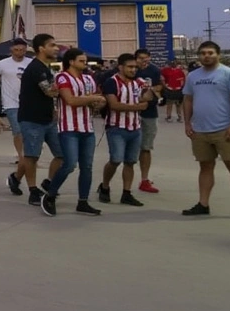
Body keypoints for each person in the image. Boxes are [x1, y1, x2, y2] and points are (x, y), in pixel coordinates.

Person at [181, 41, 230, 223]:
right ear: (199, 56)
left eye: (210, 53)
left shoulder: (229, 74)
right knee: (205, 166)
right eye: (203, 53)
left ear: (218, 55)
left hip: (224, 129)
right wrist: (187, 123)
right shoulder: (193, 76)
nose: (207, 56)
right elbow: (188, 100)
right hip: (200, 130)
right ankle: (203, 204)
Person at [44, 48, 105, 217]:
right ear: (71, 61)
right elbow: (70, 100)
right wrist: (94, 98)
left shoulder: (88, 78)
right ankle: (50, 194)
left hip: (87, 127)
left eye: (85, 61)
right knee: (70, 164)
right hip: (69, 127)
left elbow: (94, 100)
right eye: (81, 61)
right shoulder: (62, 77)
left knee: (87, 166)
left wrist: (97, 103)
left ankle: (83, 201)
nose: (85, 64)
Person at [7, 34, 64, 210]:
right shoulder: (37, 68)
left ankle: (32, 180)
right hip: (32, 119)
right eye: (52, 45)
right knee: (32, 156)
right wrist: (63, 87)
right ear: (41, 48)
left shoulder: (46, 68)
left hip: (48, 119)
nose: (57, 48)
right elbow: (50, 91)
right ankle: (33, 189)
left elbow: (52, 93)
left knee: (62, 154)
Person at [96, 53, 150, 209]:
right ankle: (105, 186)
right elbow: (114, 105)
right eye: (130, 67)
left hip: (135, 127)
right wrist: (138, 106)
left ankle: (126, 193)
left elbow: (148, 99)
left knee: (130, 162)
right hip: (116, 127)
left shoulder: (139, 82)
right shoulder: (111, 83)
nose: (133, 70)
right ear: (120, 67)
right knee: (116, 159)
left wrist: (149, 91)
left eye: (135, 67)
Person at [0, 39, 31, 165]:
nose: (19, 52)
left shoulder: (32, 63)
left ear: (26, 49)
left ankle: (29, 155)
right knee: (18, 130)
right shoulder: (2, 64)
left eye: (22, 50)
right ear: (11, 50)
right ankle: (21, 155)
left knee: (28, 130)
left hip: (29, 102)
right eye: (16, 50)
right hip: (11, 102)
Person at [134, 49, 164, 194]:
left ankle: (144, 180)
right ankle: (107, 182)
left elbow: (159, 85)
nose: (144, 61)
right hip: (130, 112)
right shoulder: (130, 70)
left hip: (150, 113)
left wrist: (153, 90)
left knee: (146, 147)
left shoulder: (154, 70)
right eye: (141, 58)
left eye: (146, 59)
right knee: (123, 150)